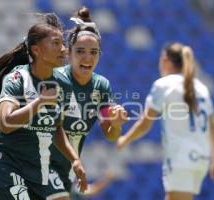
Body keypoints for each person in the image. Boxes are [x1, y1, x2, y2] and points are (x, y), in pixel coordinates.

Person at [0, 12, 87, 200]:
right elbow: (7, 124)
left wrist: (74, 159)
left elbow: (56, 127)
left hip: (37, 168)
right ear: (36, 50)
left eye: (64, 43)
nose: (64, 49)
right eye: (56, 43)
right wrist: (40, 102)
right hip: (6, 164)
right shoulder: (18, 79)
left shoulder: (64, 84)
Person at [117, 42, 214, 200]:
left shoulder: (163, 85)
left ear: (165, 60)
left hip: (180, 158)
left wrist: (125, 139)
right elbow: (212, 128)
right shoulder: (201, 87)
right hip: (201, 159)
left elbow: (145, 124)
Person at [46, 7, 128, 200]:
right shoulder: (54, 79)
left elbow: (110, 134)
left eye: (94, 52)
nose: (87, 57)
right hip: (40, 159)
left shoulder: (101, 86)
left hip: (67, 167)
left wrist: (116, 125)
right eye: (80, 51)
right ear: (69, 53)